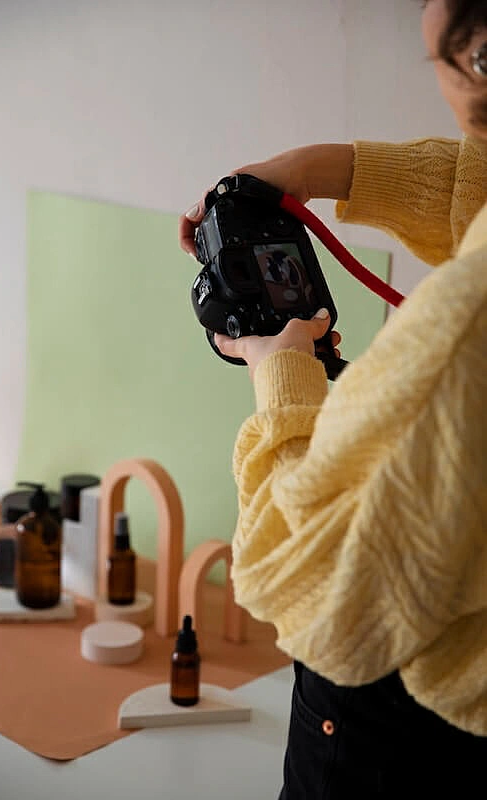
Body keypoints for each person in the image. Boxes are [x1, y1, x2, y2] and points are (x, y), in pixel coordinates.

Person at [179, 1, 487, 797]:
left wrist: (278, 371)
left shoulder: (466, 328)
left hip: (409, 730)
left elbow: (313, 587)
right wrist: (316, 168)